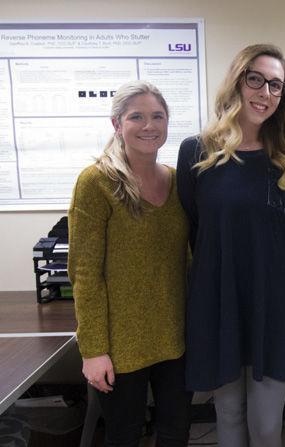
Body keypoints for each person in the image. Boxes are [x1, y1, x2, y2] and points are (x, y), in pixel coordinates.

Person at [176, 44, 285, 447]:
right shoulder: (196, 152)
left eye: (276, 86)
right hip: (217, 298)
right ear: (237, 82)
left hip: (272, 300)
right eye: (256, 79)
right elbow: (194, 227)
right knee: (228, 418)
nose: (265, 93)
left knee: (267, 426)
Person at [68, 80, 192, 447]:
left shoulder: (176, 180)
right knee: (123, 436)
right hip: (119, 345)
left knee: (176, 432)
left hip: (175, 338)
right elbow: (84, 273)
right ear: (117, 124)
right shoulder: (96, 182)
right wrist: (92, 350)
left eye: (158, 116)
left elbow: (184, 258)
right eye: (137, 116)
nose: (149, 125)